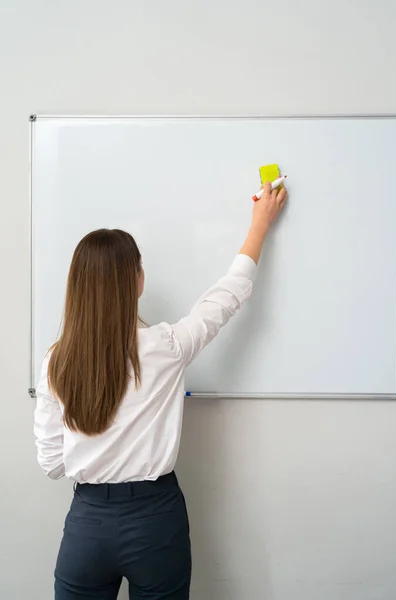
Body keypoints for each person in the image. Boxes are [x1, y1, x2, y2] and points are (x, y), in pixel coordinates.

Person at [34, 181, 287, 600]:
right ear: (137, 280)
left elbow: (51, 463)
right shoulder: (165, 346)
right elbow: (227, 295)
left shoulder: (55, 362)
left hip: (87, 524)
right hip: (155, 518)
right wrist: (260, 223)